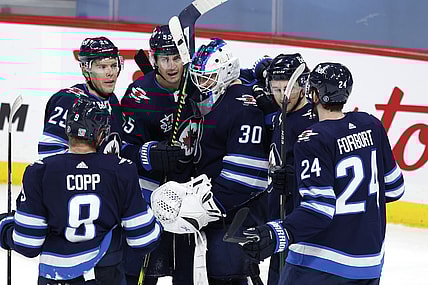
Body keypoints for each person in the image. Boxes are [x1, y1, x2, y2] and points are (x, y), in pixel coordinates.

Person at [241, 62, 405, 284]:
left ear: (314, 94)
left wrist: (277, 233)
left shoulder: (313, 138)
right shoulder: (371, 124)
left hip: (319, 264)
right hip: (369, 264)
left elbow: (319, 210)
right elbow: (395, 188)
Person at [0, 97, 161, 285]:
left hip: (55, 278)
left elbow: (28, 243)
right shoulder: (122, 170)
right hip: (106, 277)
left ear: (68, 129)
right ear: (101, 134)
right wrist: (158, 220)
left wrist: (5, 226)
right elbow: (143, 239)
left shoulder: (40, 172)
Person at [188, 38, 269, 285]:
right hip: (226, 213)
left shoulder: (243, 108)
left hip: (236, 215)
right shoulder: (231, 95)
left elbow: (247, 177)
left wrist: (206, 207)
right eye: (199, 76)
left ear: (226, 72)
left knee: (229, 276)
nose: (202, 83)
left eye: (209, 77)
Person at [120, 25, 196, 285]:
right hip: (150, 192)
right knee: (144, 267)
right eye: (165, 59)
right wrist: (149, 154)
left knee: (188, 269)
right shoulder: (139, 95)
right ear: (154, 59)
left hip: (191, 192)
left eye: (176, 58)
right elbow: (122, 148)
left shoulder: (197, 83)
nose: (171, 65)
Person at [252, 53, 316, 284]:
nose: (282, 97)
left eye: (287, 89)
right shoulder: (280, 117)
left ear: (304, 85)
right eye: (276, 90)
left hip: (303, 227)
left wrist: (296, 179)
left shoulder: (314, 121)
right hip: (280, 221)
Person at [38, 36, 124, 159]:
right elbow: (48, 152)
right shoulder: (69, 100)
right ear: (85, 69)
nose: (110, 72)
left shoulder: (112, 100)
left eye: (114, 65)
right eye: (102, 67)